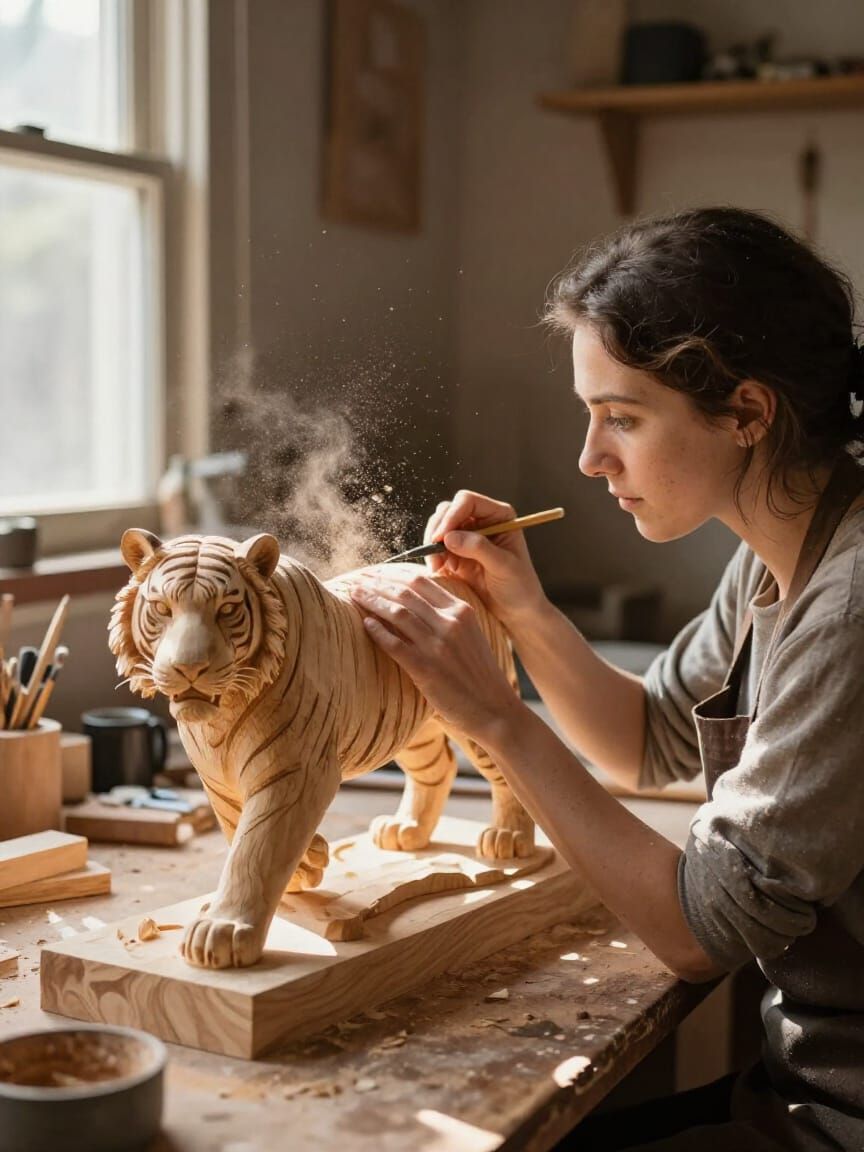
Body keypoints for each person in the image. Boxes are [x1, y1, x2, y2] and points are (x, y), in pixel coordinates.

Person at [348, 206, 864, 1151]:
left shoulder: (849, 607)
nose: (591, 460)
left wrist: (498, 717)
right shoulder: (782, 539)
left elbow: (697, 932)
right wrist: (525, 611)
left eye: (621, 419)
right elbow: (653, 736)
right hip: (796, 1081)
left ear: (747, 413)